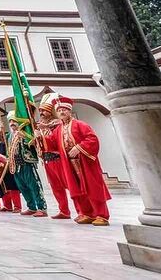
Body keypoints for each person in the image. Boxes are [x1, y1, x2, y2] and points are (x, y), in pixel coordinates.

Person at [39, 94, 112, 226]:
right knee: (77, 189)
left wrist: (79, 147)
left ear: (70, 111)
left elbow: (92, 139)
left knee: (92, 188)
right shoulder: (59, 129)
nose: (61, 112)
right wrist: (41, 137)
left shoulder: (80, 124)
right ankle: (87, 213)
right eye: (59, 110)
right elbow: (53, 144)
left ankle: (101, 215)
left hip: (84, 162)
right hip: (69, 164)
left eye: (64, 110)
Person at [6, 111, 47, 217]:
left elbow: (34, 144)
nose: (12, 123)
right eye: (10, 121)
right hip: (16, 165)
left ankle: (42, 207)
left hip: (27, 163)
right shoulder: (10, 135)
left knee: (34, 186)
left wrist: (24, 138)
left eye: (14, 121)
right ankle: (31, 207)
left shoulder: (26, 132)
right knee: (22, 187)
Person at [37, 95, 71, 219]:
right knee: (56, 187)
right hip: (47, 159)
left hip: (58, 159)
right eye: (40, 110)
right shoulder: (42, 125)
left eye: (44, 110)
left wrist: (43, 133)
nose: (41, 113)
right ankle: (64, 210)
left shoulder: (57, 124)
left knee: (68, 184)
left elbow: (56, 141)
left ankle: (83, 210)